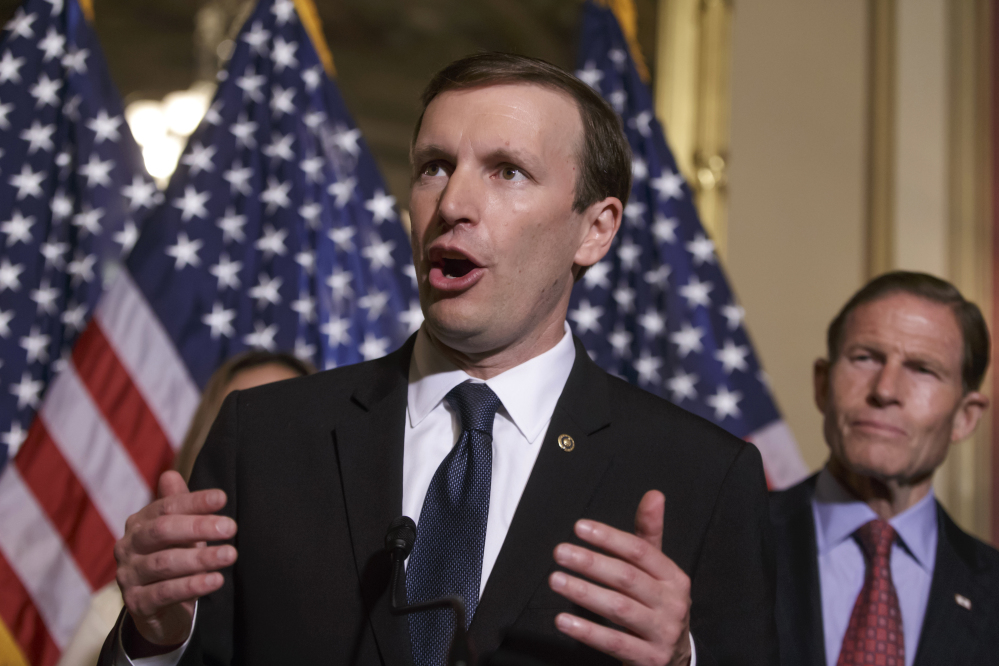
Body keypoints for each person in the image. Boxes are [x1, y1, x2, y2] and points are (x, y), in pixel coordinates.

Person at [102, 53, 776, 666]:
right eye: (433, 167)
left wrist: (685, 662)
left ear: (594, 230)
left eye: (506, 171)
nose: (452, 204)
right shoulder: (268, 438)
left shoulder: (702, 477)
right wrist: (157, 639)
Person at [770, 271, 999, 666]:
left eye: (923, 369)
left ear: (966, 417)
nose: (885, 389)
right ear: (822, 384)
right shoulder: (732, 539)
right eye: (865, 358)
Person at [56, 351, 313, 666]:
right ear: (203, 454)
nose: (268, 459)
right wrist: (154, 645)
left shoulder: (373, 593)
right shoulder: (119, 614)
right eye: (246, 430)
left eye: (290, 429)